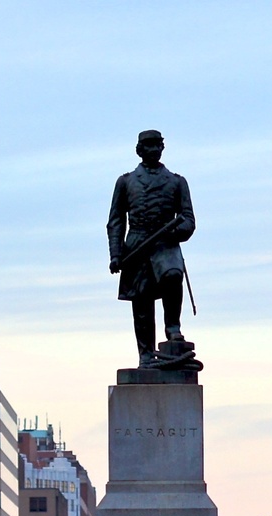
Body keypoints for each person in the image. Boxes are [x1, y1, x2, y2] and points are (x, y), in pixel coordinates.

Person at [107, 129, 198, 369]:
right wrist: (115, 254)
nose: (154, 149)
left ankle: (173, 327)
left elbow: (188, 219)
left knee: (173, 275)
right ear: (139, 150)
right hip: (137, 243)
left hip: (166, 242)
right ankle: (146, 355)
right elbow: (116, 220)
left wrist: (175, 232)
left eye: (157, 145)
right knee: (142, 302)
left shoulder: (177, 182)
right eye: (149, 146)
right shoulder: (125, 182)